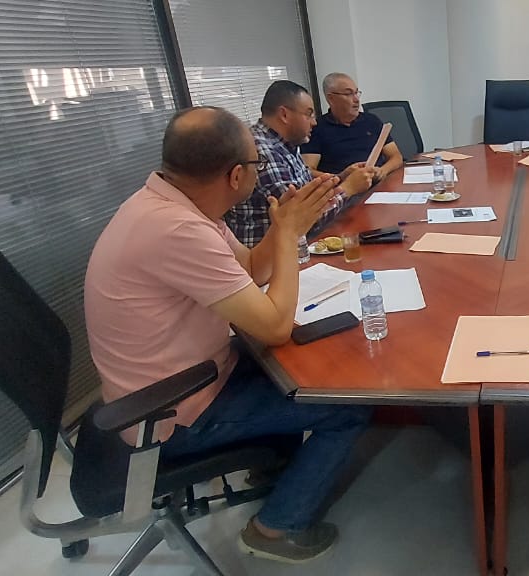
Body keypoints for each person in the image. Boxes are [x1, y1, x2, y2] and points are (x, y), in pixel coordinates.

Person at [85, 107, 371, 564]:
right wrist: (289, 235)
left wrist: (286, 226)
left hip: (188, 374)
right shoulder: (177, 229)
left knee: (314, 362)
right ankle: (276, 528)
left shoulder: (176, 203)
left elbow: (250, 269)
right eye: (258, 162)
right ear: (236, 175)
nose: (261, 171)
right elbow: (274, 327)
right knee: (348, 406)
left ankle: (272, 465)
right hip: (170, 411)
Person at [226, 80, 375, 247]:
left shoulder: (285, 143)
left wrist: (340, 178)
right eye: (309, 114)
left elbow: (307, 191)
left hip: (296, 246)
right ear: (284, 115)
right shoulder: (262, 151)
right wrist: (349, 188)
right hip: (272, 256)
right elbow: (305, 219)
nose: (314, 122)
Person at [303, 73, 404, 179]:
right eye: (348, 94)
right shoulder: (316, 128)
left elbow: (396, 156)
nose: (356, 99)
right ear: (331, 98)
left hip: (378, 181)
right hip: (343, 186)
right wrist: (340, 177)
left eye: (356, 93)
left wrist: (382, 171)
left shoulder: (371, 121)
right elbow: (308, 171)